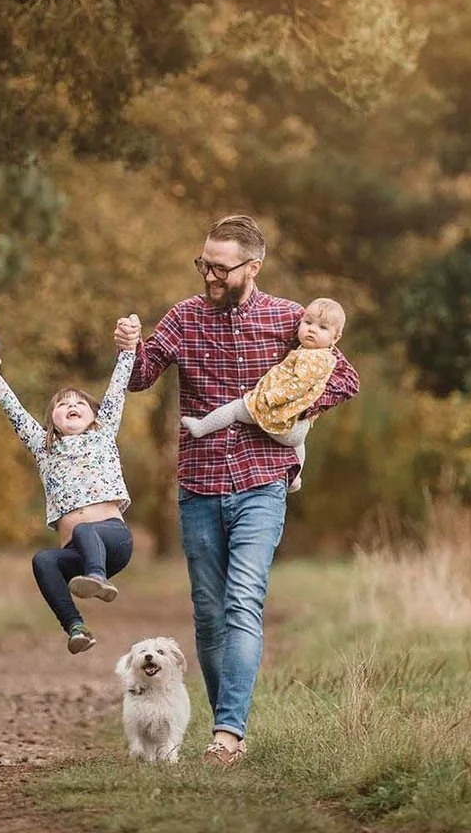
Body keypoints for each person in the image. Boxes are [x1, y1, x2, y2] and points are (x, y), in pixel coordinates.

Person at [114, 215, 359, 767]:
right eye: (204, 264)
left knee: (243, 602)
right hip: (199, 482)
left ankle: (228, 733)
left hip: (260, 480)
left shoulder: (290, 319)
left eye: (220, 268)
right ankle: (226, 720)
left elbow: (344, 379)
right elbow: (140, 376)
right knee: (207, 612)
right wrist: (130, 346)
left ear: (252, 268)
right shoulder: (183, 316)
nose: (209, 275)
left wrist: (286, 410)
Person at [0, 343, 137, 655]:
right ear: (52, 420)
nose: (71, 405)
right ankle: (76, 627)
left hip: (114, 542)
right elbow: (15, 412)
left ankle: (98, 577)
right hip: (76, 553)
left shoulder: (103, 434)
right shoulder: (44, 447)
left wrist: (128, 350)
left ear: (94, 416)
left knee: (84, 529)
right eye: (62, 404)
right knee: (43, 560)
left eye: (79, 403)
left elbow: (118, 388)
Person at [180, 297, 347, 492]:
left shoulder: (313, 358)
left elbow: (298, 386)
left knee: (235, 409)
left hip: (276, 413)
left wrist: (271, 398)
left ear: (335, 339)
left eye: (322, 328)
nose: (312, 329)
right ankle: (295, 477)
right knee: (299, 443)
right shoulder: (320, 355)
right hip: (296, 427)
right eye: (308, 323)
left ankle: (202, 427)